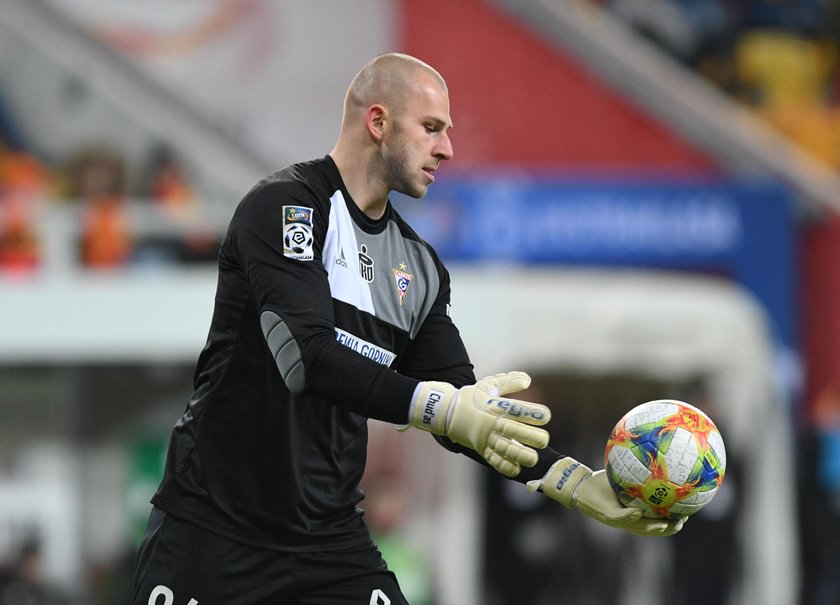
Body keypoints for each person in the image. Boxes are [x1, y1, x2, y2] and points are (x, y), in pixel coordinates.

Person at [131, 52, 684, 605]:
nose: (446, 148)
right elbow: (306, 358)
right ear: (378, 122)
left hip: (328, 545)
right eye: (431, 128)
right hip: (212, 533)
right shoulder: (286, 207)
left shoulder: (418, 267)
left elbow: (470, 415)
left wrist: (574, 482)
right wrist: (443, 409)